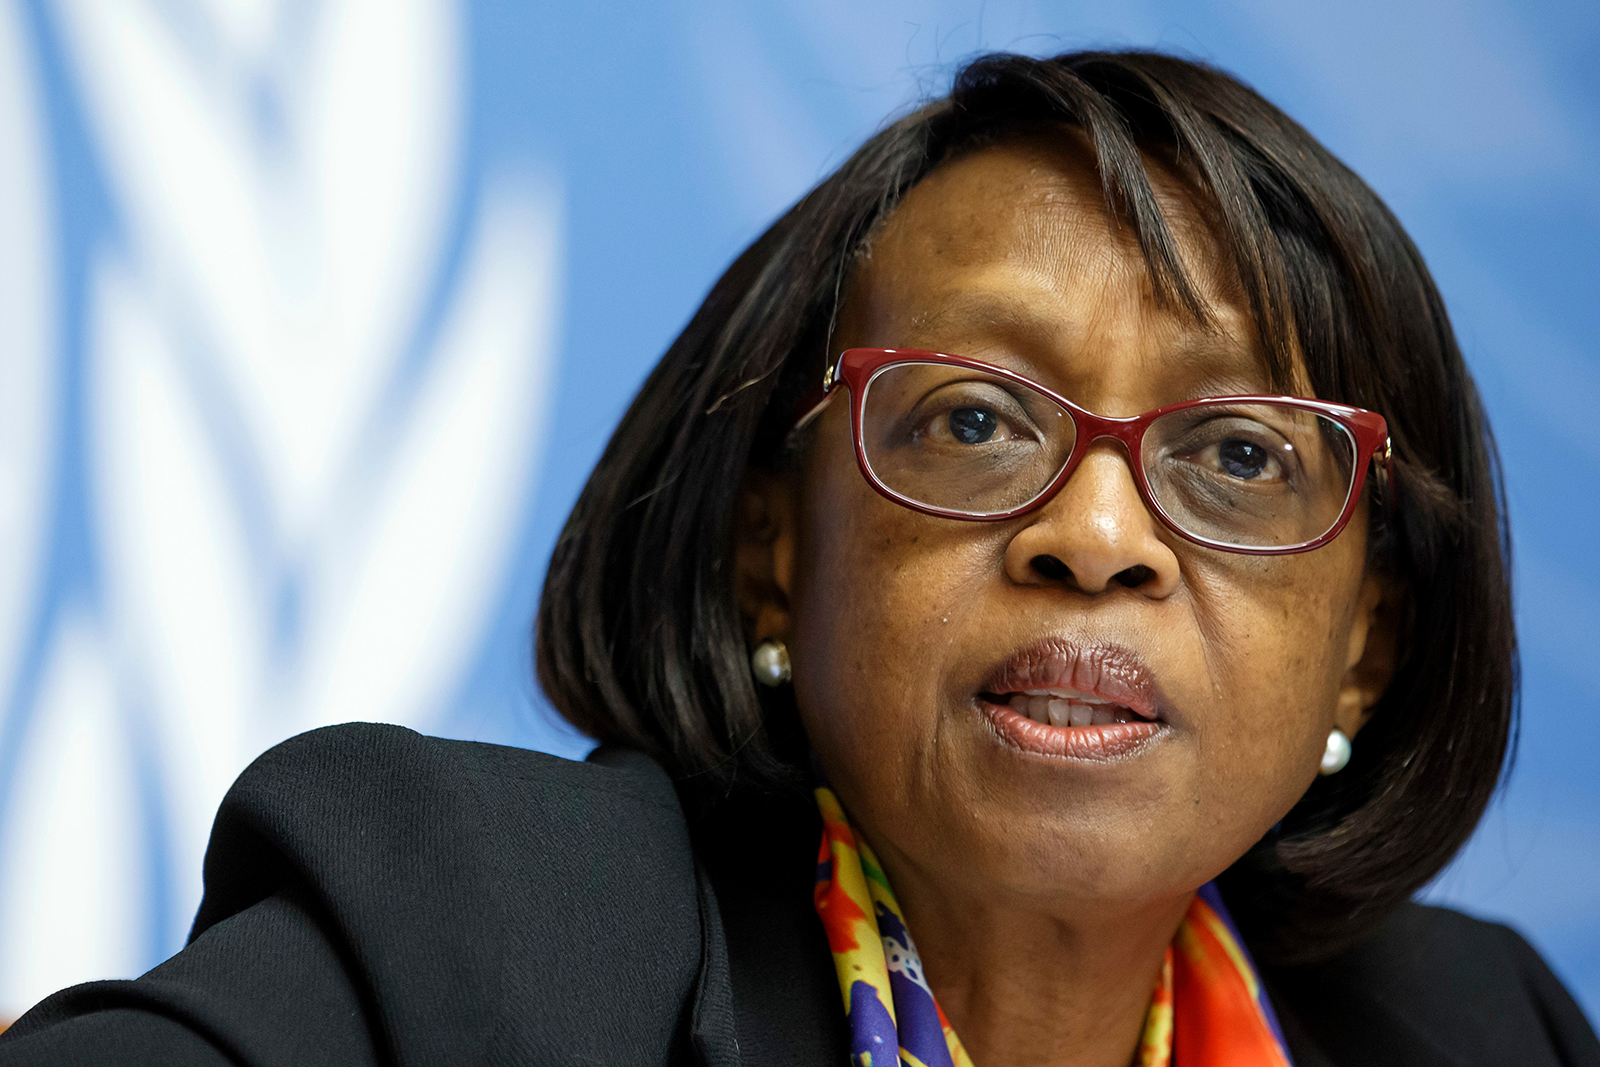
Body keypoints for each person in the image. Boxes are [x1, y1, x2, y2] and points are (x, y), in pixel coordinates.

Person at [1, 49, 1594, 1067]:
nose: (1097, 537)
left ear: (1368, 645)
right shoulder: (476, 939)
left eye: (1238, 456)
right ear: (775, 550)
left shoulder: (1476, 1030)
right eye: (972, 421)